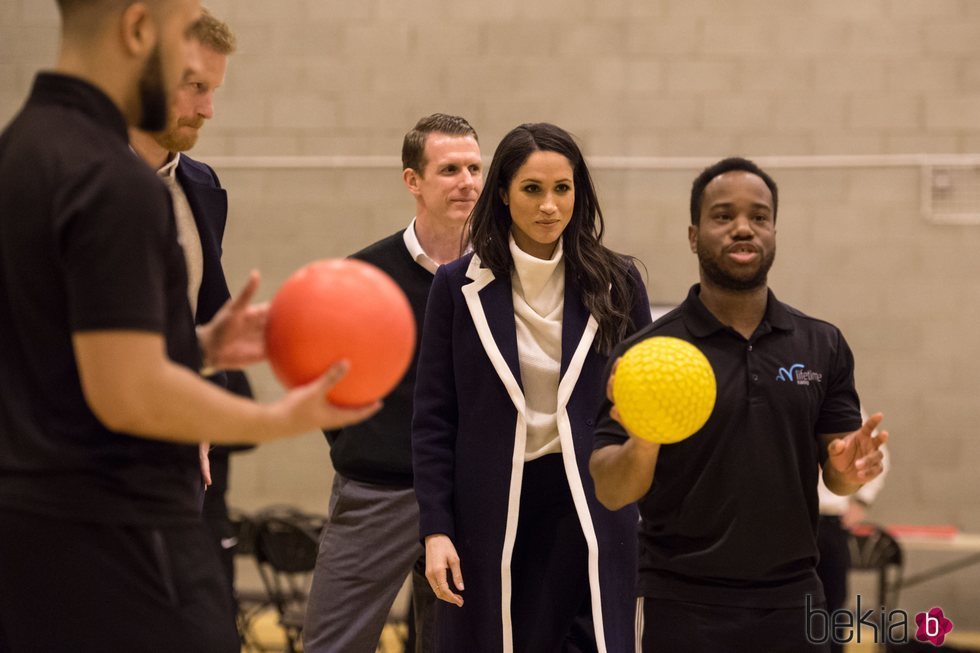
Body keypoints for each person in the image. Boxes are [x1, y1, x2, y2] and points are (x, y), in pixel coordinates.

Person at [0, 2, 377, 651]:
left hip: (33, 537)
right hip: (120, 545)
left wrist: (195, 345)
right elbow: (133, 392)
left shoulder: (21, 149)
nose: (198, 98)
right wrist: (286, 415)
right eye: (182, 44)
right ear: (139, 28)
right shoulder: (114, 180)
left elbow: (65, 354)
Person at [590, 157, 888, 653]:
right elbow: (611, 490)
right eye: (724, 216)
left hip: (796, 601)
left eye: (759, 216)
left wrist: (849, 471)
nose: (743, 228)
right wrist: (643, 441)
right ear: (693, 234)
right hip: (681, 604)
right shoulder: (645, 355)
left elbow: (836, 475)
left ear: (774, 229)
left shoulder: (822, 344)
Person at [412, 122, 652, 652]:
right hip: (494, 509)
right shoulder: (455, 287)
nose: (549, 206)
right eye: (532, 189)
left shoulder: (618, 280)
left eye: (561, 189)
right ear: (503, 193)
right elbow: (433, 420)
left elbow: (641, 406)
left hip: (594, 501)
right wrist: (436, 530)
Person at [303, 113, 483, 653]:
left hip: (469, 498)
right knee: (331, 646)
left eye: (475, 168)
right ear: (414, 181)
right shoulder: (364, 277)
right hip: (377, 493)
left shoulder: (502, 276)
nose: (467, 182)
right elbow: (322, 382)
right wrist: (366, 447)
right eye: (450, 169)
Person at [129, 6, 251, 608]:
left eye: (213, 91)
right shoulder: (70, 174)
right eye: (195, 86)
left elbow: (205, 318)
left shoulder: (202, 186)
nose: (206, 109)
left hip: (178, 453)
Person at [817, 424, 889, 653]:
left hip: (829, 522)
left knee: (832, 604)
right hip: (784, 521)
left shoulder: (839, 402)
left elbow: (878, 456)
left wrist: (862, 501)